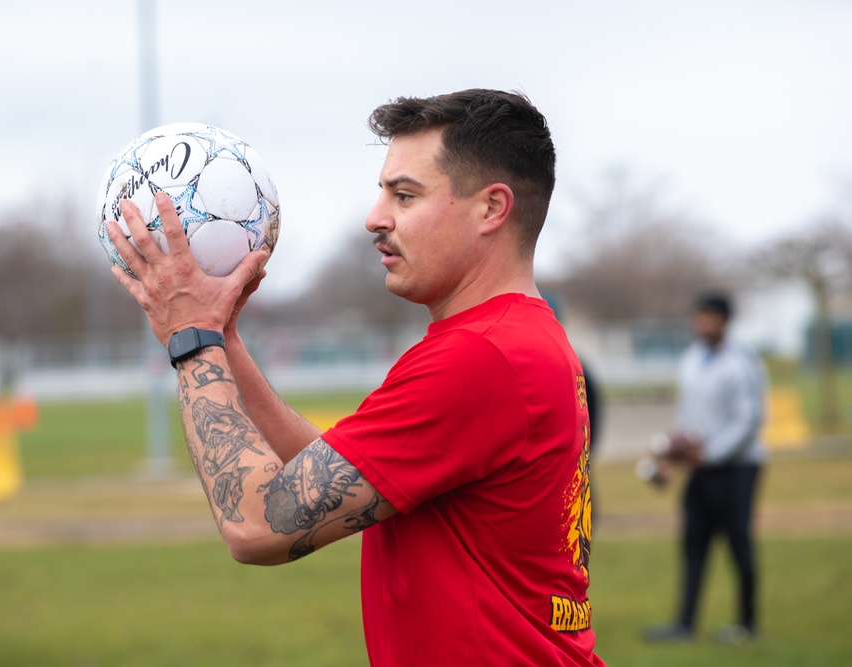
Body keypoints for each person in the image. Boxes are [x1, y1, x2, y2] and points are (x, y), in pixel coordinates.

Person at [107, 88, 604, 666]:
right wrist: (224, 339)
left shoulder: (480, 358)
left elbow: (258, 524)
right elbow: (322, 474)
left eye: (405, 195)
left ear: (492, 208)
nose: (376, 217)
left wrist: (191, 340)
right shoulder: (513, 338)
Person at [643, 292, 766, 645]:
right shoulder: (692, 359)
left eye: (709, 318)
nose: (702, 324)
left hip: (738, 469)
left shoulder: (743, 363)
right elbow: (689, 417)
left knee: (738, 544)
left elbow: (748, 421)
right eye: (699, 317)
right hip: (701, 470)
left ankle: (747, 623)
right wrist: (672, 453)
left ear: (725, 321)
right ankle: (684, 624)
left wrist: (709, 454)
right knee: (693, 543)